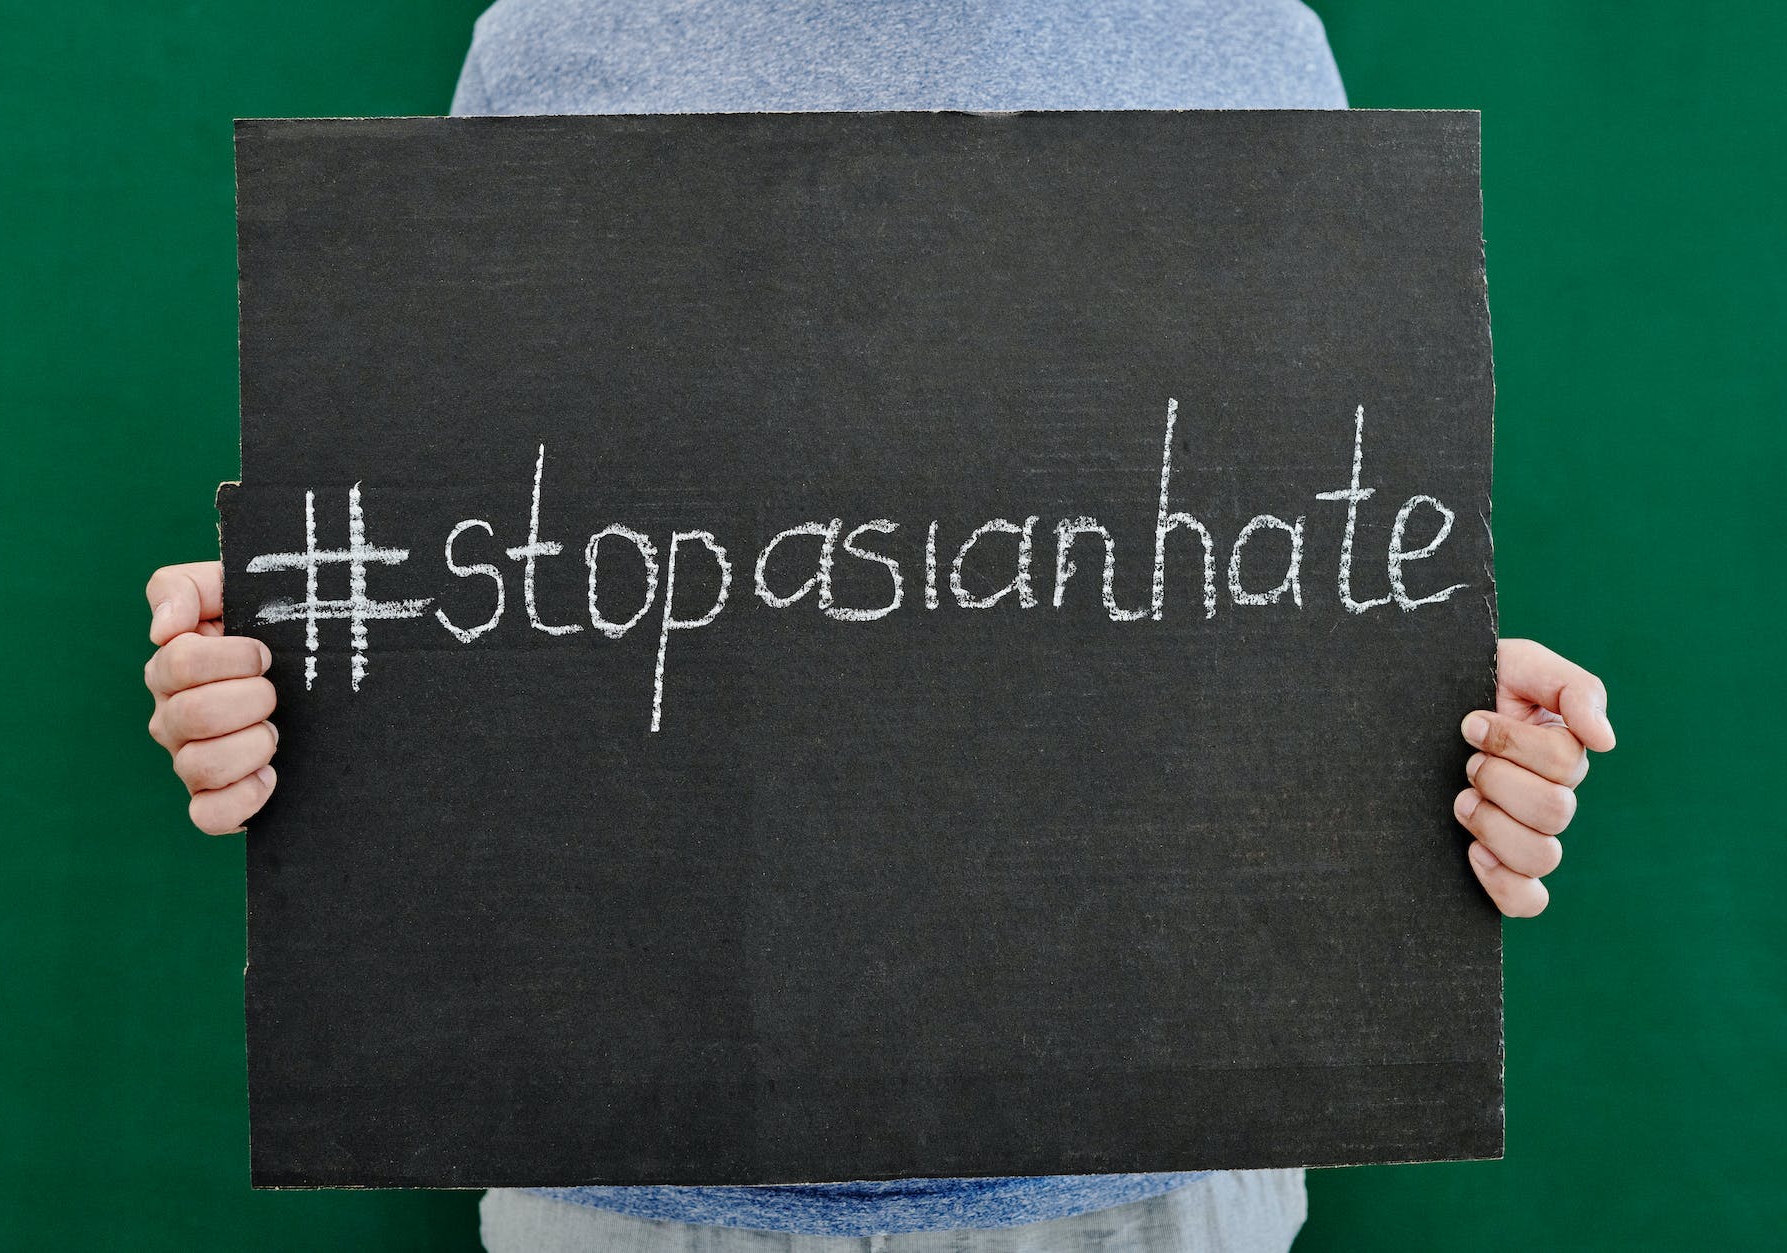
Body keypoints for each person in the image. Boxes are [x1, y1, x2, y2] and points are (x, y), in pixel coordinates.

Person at [142, 2, 1617, 1248]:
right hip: (630, 1184)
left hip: (1147, 1176)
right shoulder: (554, 42)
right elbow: (478, 571)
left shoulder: (1240, 38)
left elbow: (1279, 553)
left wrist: (1443, 710)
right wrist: (280, 668)